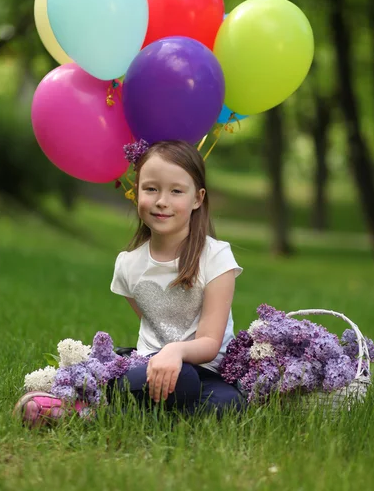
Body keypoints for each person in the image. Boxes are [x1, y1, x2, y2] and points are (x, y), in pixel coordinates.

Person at [14, 140, 245, 425]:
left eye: (176, 191)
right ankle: (95, 403)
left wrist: (175, 351)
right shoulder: (129, 264)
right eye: (151, 189)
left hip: (207, 371)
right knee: (179, 382)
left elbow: (210, 342)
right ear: (136, 194)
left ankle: (87, 415)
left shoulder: (216, 257)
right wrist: (161, 358)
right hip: (147, 368)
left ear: (197, 198)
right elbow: (152, 325)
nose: (162, 201)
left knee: (229, 404)